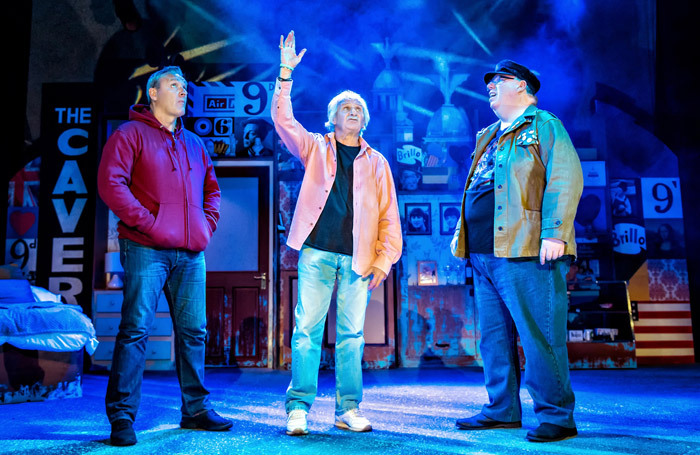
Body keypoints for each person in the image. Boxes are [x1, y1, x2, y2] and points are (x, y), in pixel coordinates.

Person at [272, 31, 402, 436]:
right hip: (316, 254)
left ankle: (348, 408)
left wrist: (383, 260)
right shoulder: (316, 147)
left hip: (358, 261)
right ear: (332, 119)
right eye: (345, 108)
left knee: (351, 337)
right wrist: (285, 73)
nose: (352, 112)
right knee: (306, 331)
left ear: (365, 119)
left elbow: (389, 219)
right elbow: (282, 120)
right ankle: (298, 408)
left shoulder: (377, 162)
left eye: (358, 109)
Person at [97, 66, 232, 446]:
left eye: (185, 87)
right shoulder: (130, 134)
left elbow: (212, 190)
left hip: (190, 253)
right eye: (174, 85)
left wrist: (205, 227)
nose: (182, 91)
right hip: (145, 247)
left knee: (194, 332)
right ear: (153, 93)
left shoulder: (194, 142)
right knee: (136, 329)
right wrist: (150, 223)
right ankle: (122, 417)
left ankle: (195, 410)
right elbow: (111, 184)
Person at [451, 60, 583, 443]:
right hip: (483, 251)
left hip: (525, 247)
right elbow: (476, 187)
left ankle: (557, 415)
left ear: (523, 87)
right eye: (488, 81)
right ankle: (501, 409)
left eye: (500, 80)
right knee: (493, 336)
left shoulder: (544, 125)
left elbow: (565, 176)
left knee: (539, 333)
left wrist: (555, 232)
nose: (490, 85)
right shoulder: (489, 134)